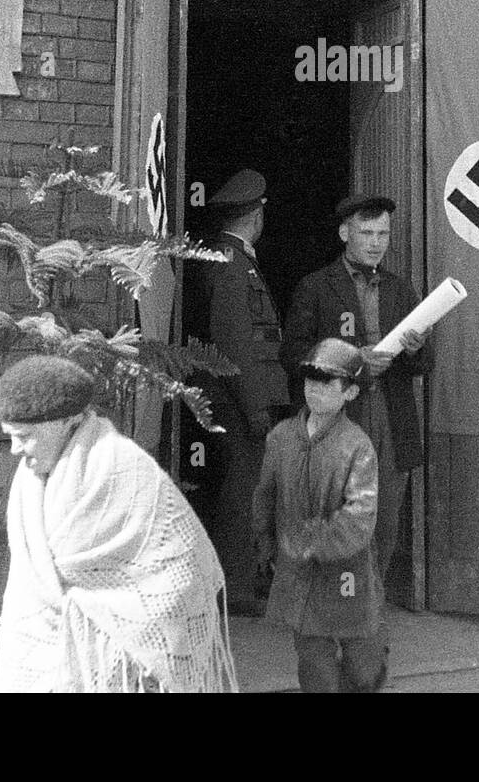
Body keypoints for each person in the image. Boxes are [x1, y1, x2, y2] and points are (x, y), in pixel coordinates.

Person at [0, 355, 238, 692]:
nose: (15, 449)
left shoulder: (126, 471)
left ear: (66, 423)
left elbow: (184, 570)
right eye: (10, 436)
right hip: (46, 657)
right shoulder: (28, 482)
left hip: (129, 669)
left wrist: (107, 622)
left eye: (25, 436)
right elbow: (29, 587)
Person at [281, 194, 433, 585]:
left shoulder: (401, 289)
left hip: (391, 419)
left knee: (383, 523)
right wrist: (353, 360)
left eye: (383, 233)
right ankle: (331, 609)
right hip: (342, 417)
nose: (376, 242)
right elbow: (293, 355)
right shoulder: (315, 287)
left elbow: (424, 365)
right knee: (337, 516)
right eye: (366, 233)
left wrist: (415, 349)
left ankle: (368, 613)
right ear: (344, 233)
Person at [182, 168, 289, 614]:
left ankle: (242, 580)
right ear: (256, 216)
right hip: (236, 398)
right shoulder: (231, 264)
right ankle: (237, 586)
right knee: (242, 488)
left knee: (246, 486)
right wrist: (256, 406)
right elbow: (235, 341)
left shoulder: (233, 259)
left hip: (237, 396)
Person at [253, 337, 386, 693]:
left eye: (327, 382)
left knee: (364, 669)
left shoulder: (356, 446)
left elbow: (361, 515)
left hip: (348, 574)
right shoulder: (281, 438)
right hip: (298, 573)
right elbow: (265, 496)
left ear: (351, 393)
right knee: (314, 663)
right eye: (311, 381)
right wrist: (266, 547)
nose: (315, 390)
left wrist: (311, 541)